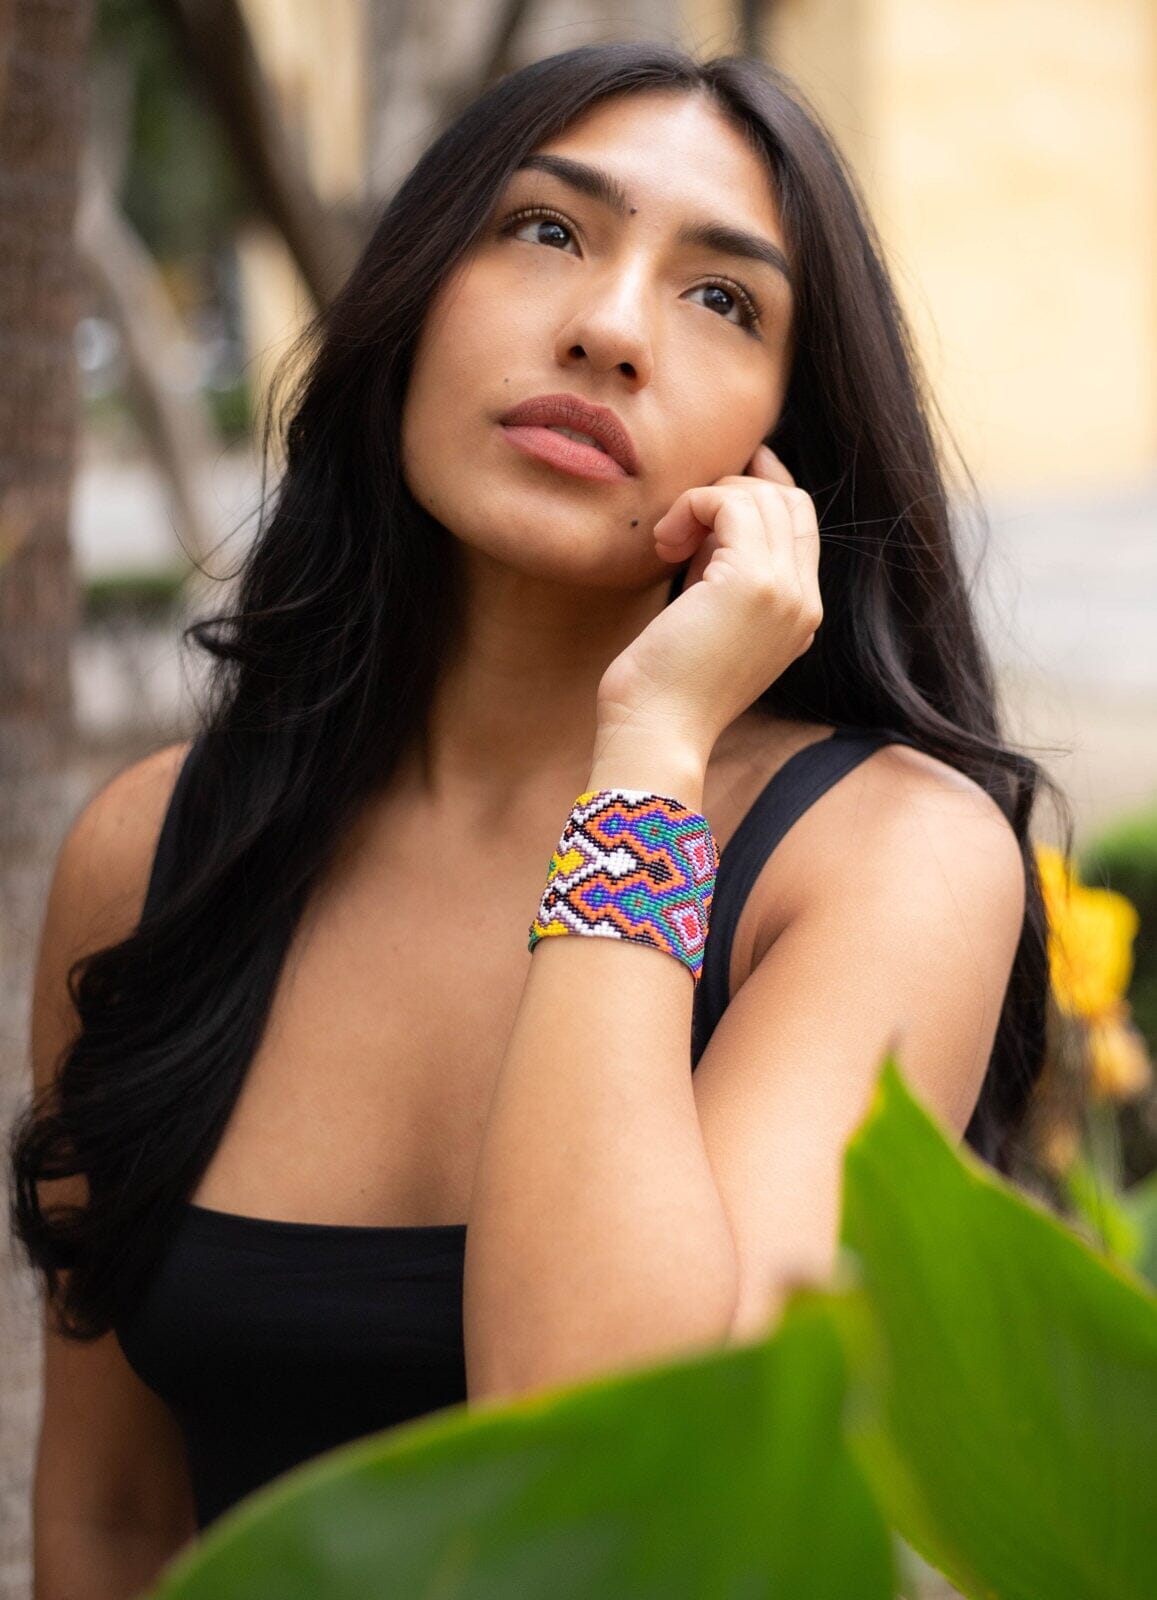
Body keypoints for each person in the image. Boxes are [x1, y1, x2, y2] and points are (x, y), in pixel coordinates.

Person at [10, 37, 1066, 1590]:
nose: (610, 329)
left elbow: (613, 1450)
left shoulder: (880, 860)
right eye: (545, 229)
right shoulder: (158, 855)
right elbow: (106, 1514)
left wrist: (646, 755)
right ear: (414, 299)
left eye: (723, 299)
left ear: (790, 442)